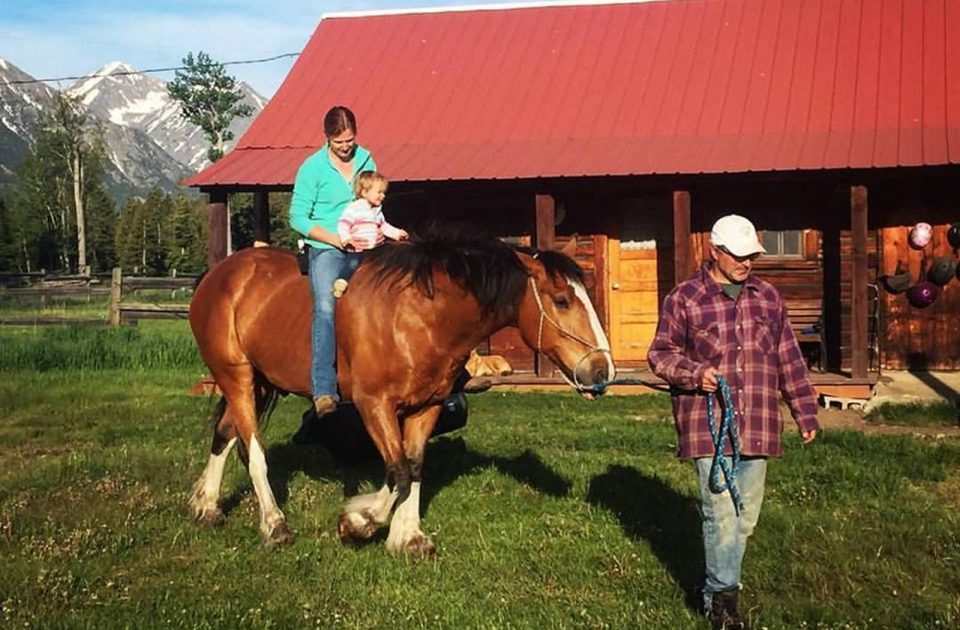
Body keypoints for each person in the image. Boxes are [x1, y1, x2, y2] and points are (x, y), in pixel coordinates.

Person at [647, 214, 820, 630]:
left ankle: (714, 590)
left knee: (746, 518)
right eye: (738, 255)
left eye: (751, 256)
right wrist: (695, 374)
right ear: (715, 251)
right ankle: (724, 604)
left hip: (758, 421)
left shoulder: (768, 297)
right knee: (721, 513)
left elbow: (788, 358)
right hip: (708, 425)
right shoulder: (684, 298)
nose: (746, 263)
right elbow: (660, 354)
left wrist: (805, 411)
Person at [288, 105, 376, 429]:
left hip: (367, 242)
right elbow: (297, 218)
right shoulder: (311, 168)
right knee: (325, 307)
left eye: (350, 140)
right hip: (328, 247)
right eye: (340, 142)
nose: (346, 147)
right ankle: (324, 389)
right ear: (327, 138)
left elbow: (374, 198)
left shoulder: (367, 159)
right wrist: (337, 239)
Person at [337, 171, 408, 252]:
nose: (383, 195)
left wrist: (397, 234)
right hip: (357, 250)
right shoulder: (354, 209)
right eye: (379, 192)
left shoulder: (377, 211)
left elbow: (384, 227)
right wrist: (347, 239)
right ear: (364, 192)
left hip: (375, 250)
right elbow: (343, 225)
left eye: (384, 193)